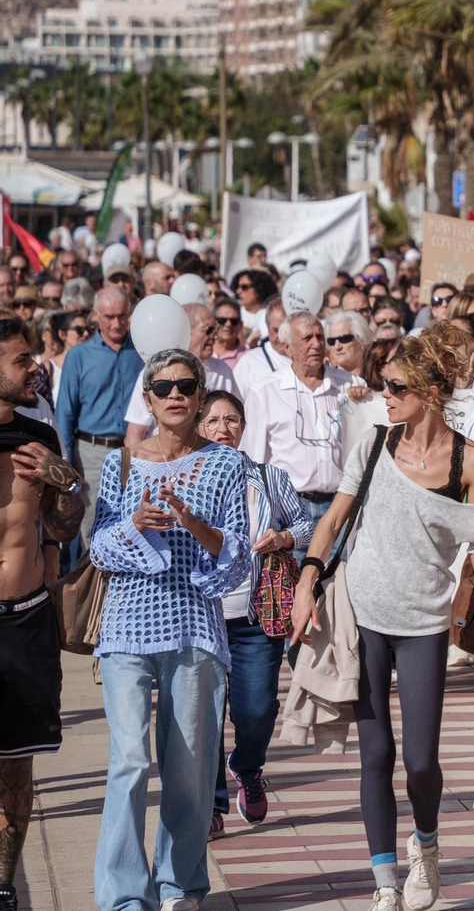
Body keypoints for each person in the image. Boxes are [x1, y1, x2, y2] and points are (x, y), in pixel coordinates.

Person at [290, 328, 474, 911]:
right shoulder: (376, 443)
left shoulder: (469, 459)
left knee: (421, 760)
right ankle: (385, 882)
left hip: (425, 622)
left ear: (432, 391)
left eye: (398, 386)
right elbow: (332, 521)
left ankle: (426, 846)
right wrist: (306, 584)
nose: (386, 394)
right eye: (385, 384)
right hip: (363, 616)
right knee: (376, 754)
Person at [90, 348, 252, 911]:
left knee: (189, 768)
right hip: (127, 627)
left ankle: (180, 887)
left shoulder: (228, 464)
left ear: (201, 395)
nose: (176, 395)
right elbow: (100, 547)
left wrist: (192, 522)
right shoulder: (123, 464)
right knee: (129, 761)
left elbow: (237, 559)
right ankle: (123, 895)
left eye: (187, 385)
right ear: (149, 399)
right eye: (164, 388)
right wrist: (134, 523)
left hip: (194, 629)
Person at [197, 390, 316, 838]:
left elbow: (307, 525)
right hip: (201, 617)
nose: (223, 428)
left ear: (244, 427)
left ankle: (247, 768)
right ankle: (211, 804)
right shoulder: (187, 478)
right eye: (212, 420)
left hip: (255, 617)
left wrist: (283, 537)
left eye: (231, 420)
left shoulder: (267, 477)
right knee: (204, 715)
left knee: (256, 710)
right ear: (198, 427)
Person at [0, 318, 87, 911]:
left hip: (27, 616)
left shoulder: (39, 436)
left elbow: (61, 524)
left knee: (16, 763)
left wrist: (67, 486)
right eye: (21, 359)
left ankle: (4, 884)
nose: (36, 367)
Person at [241, 312, 364, 539]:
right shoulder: (265, 391)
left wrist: (364, 402)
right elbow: (253, 462)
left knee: (337, 574)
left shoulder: (352, 386)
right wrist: (256, 519)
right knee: (293, 575)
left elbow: (366, 445)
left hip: (340, 505)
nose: (316, 344)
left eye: (319, 337)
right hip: (289, 509)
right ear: (287, 347)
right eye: (307, 338)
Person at [55, 286, 142, 553]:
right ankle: (92, 594)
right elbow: (65, 413)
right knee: (92, 531)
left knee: (133, 527)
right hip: (91, 453)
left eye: (122, 315)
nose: (116, 323)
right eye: (109, 316)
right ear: (96, 315)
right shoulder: (79, 356)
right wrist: (66, 463)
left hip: (135, 451)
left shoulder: (142, 351)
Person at [125, 304, 240, 443]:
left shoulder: (222, 370)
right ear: (185, 331)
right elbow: (135, 432)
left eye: (215, 329)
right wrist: (135, 463)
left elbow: (236, 418)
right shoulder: (155, 372)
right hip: (163, 458)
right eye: (208, 330)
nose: (215, 335)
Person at [230, 298, 291, 400]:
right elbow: (234, 403)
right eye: (276, 330)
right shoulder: (249, 362)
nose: (281, 336)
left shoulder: (308, 360)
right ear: (267, 328)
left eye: (286, 330)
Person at [326, 309, 375, 375]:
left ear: (361, 340)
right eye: (331, 341)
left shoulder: (378, 379)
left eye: (344, 339)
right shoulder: (326, 381)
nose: (337, 347)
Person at [211, 298, 249, 371]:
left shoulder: (248, 357)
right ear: (213, 323)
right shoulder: (203, 352)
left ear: (240, 325)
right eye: (222, 320)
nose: (228, 324)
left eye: (234, 321)